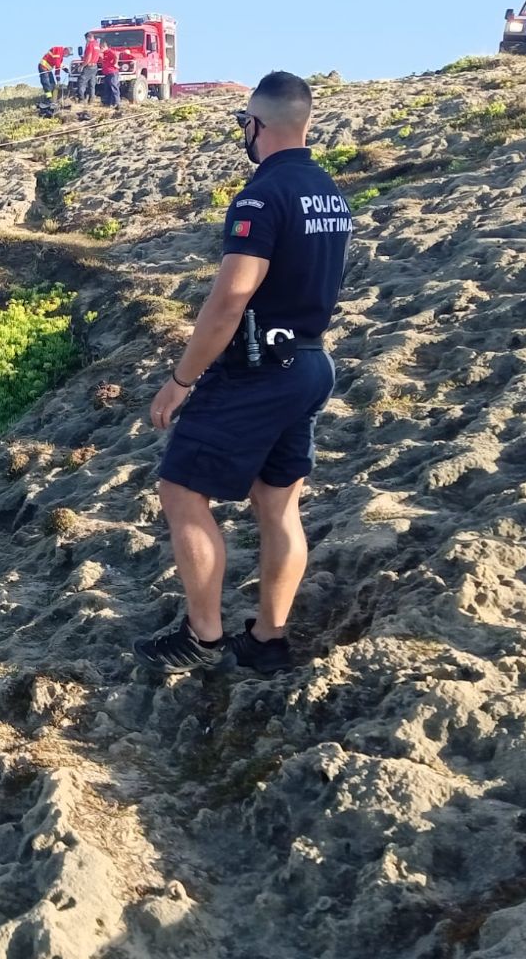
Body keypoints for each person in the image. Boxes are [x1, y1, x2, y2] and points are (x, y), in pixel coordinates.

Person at [132, 72, 351, 676]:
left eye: (244, 125)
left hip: (258, 369)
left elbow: (231, 298)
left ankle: (202, 637)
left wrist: (181, 379)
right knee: (278, 503)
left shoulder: (261, 196)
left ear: (257, 126)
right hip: (310, 361)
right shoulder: (327, 190)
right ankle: (267, 640)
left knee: (180, 489)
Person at [77, 35, 102, 103]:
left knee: (81, 82)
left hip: (89, 66)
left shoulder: (90, 45)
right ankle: (91, 99)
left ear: (88, 38)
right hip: (95, 66)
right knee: (91, 83)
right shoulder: (97, 45)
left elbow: (88, 57)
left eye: (86, 39)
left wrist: (82, 66)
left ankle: (81, 99)